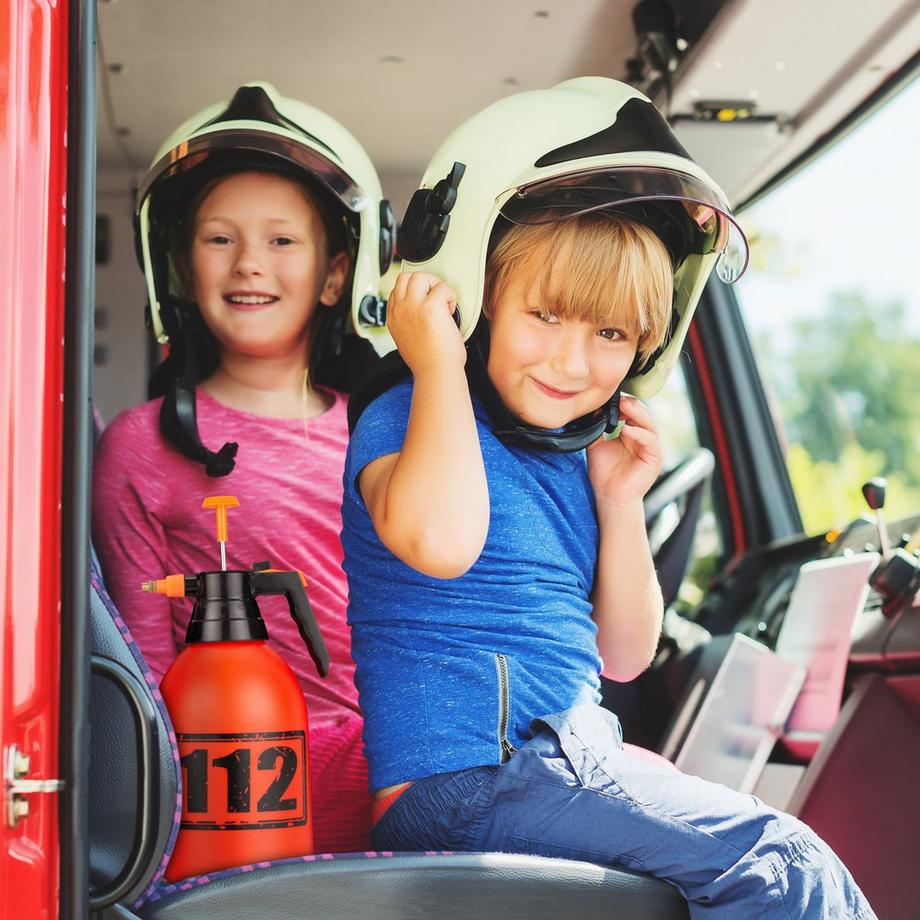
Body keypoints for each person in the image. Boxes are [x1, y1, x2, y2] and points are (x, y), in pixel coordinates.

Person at [341, 78, 875, 917]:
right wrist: (437, 359)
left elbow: (624, 655)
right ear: (473, 297)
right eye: (547, 314)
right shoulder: (407, 413)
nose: (573, 360)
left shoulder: (577, 457)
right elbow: (441, 540)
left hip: (564, 758)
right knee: (779, 862)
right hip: (463, 782)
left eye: (611, 333)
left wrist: (621, 502)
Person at [93, 82, 395, 853]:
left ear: (336, 276)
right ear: (183, 270)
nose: (249, 264)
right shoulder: (142, 444)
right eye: (219, 239)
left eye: (282, 241)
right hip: (247, 784)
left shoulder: (387, 435)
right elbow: (146, 674)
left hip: (399, 763)